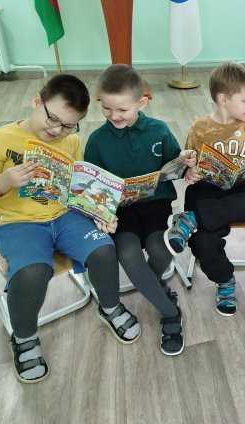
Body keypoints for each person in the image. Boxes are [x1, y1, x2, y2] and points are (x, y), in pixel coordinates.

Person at [0, 74, 140, 383]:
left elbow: (80, 188)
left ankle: (110, 307)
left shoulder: (71, 141)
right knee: (33, 271)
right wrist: (3, 182)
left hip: (65, 216)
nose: (56, 130)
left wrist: (99, 214)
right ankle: (23, 337)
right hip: (19, 223)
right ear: (37, 101)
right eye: (52, 119)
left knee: (104, 249)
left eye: (68, 126)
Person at [84, 64, 183, 356]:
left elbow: (174, 164)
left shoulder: (159, 130)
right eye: (106, 108)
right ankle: (170, 313)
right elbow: (91, 186)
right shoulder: (97, 140)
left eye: (122, 110)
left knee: (161, 251)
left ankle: (151, 284)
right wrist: (102, 210)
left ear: (142, 103)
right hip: (120, 212)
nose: (114, 115)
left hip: (156, 205)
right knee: (128, 255)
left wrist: (184, 164)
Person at [164, 62, 245, 316]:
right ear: (224, 100)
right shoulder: (200, 128)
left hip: (243, 191)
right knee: (202, 241)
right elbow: (189, 166)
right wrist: (190, 171)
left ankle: (191, 219)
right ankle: (224, 280)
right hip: (208, 191)